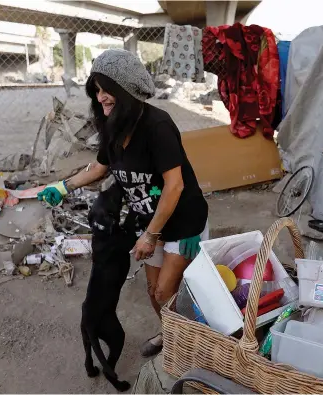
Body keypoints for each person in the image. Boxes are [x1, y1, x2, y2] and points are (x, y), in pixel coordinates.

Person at [38, 49, 209, 358]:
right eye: (97, 90)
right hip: (151, 222)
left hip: (183, 223)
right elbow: (100, 167)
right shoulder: (112, 125)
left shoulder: (157, 126)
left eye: (108, 90)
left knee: (166, 291)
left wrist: (150, 235)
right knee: (153, 292)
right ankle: (172, 334)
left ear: (127, 89)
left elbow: (175, 185)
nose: (102, 97)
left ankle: (193, 345)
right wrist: (63, 186)